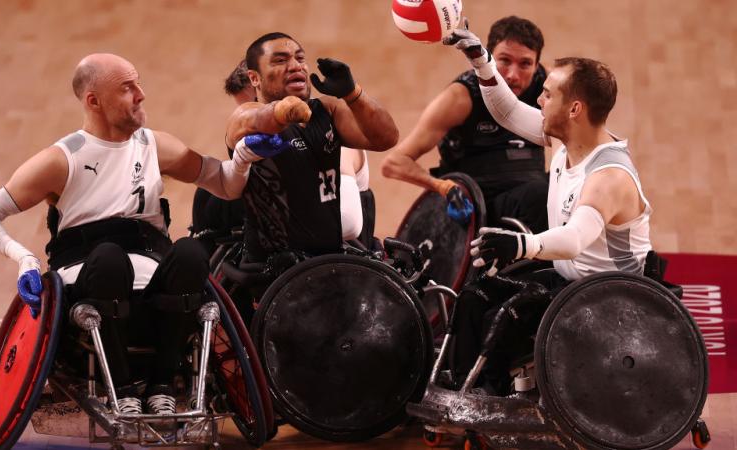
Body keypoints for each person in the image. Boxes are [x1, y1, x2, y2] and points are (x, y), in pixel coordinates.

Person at [0, 53, 289, 416]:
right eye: (127, 88)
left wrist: (243, 157)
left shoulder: (154, 145)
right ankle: (123, 387)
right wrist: (24, 259)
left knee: (193, 252)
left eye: (138, 84)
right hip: (90, 276)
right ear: (93, 101)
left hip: (153, 282)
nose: (141, 94)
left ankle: (163, 383)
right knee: (110, 258)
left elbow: (226, 185)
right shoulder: (61, 159)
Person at [442, 27, 652, 393]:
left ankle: (492, 399)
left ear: (574, 109)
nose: (539, 99)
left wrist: (521, 245)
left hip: (608, 297)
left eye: (547, 94)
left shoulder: (609, 176)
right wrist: (479, 57)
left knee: (503, 318)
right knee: (476, 297)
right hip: (568, 284)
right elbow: (506, 110)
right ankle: (464, 392)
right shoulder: (568, 141)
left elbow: (574, 239)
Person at [226, 33, 398, 263]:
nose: (295, 66)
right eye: (280, 60)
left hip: (327, 263)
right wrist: (288, 107)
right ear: (254, 78)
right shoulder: (244, 115)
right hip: (271, 271)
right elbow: (262, 117)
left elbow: (387, 138)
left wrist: (353, 94)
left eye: (299, 58)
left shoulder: (327, 111)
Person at [381, 16, 550, 233]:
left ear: (537, 65)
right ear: (488, 57)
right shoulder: (460, 97)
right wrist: (443, 187)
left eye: (525, 64)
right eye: (505, 60)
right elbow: (394, 163)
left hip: (532, 195)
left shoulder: (549, 88)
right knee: (541, 195)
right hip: (479, 207)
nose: (513, 75)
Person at [192, 60, 376, 249]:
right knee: (210, 196)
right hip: (287, 259)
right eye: (244, 113)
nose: (249, 120)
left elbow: (348, 223)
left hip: (340, 261)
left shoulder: (331, 134)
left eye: (257, 108)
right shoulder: (259, 144)